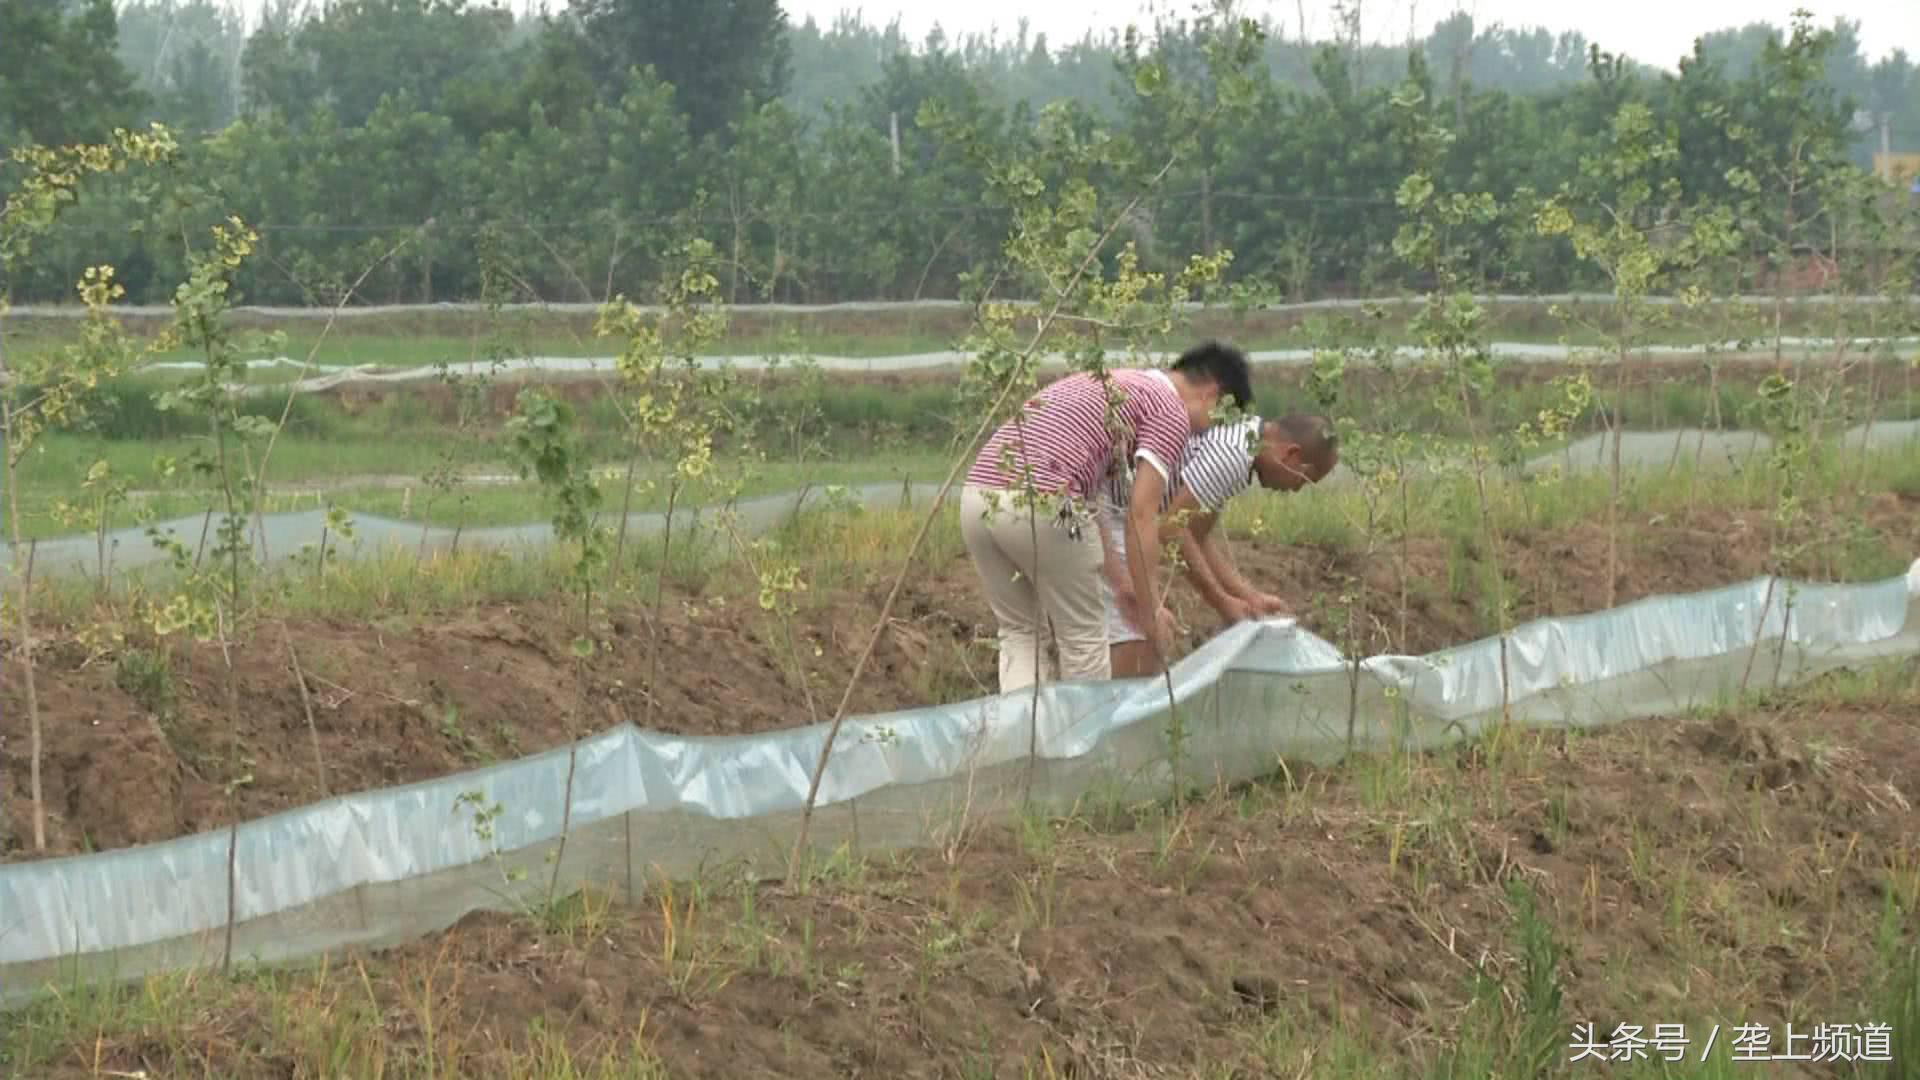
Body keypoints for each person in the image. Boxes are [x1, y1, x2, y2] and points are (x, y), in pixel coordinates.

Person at [960, 343, 1255, 692]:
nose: (1201, 434)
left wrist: (1123, 584)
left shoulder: (1115, 385)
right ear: (1213, 394)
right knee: (1083, 638)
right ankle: (1082, 745)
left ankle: (1021, 739)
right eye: (1213, 423)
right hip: (1048, 501)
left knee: (1020, 632)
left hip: (978, 499)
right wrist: (1150, 612)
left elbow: (1093, 499)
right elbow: (1142, 516)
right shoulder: (1171, 410)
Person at [1100, 412, 1340, 678]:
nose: (1296, 490)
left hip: (1126, 513)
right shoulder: (1234, 455)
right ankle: (1116, 714)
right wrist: (1221, 602)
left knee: (1145, 643)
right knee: (1137, 637)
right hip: (1108, 507)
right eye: (1303, 479)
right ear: (1291, 454)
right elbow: (1170, 530)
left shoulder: (1244, 440)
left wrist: (1249, 597)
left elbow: (1196, 535)